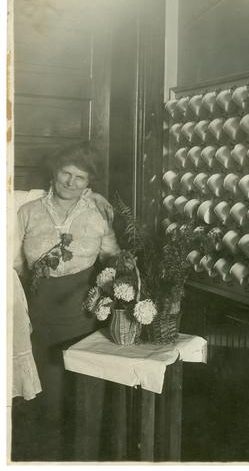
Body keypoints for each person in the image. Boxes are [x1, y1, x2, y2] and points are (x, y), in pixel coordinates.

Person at [14, 143, 120, 460]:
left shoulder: (97, 214)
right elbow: (16, 265)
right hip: (38, 320)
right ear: (55, 171)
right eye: (66, 173)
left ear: (89, 184)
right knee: (44, 398)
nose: (71, 183)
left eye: (81, 178)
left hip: (83, 320)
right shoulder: (27, 211)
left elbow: (115, 262)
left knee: (82, 398)